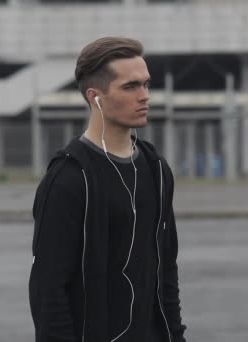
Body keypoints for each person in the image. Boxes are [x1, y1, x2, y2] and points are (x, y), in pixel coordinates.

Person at [29, 36, 186, 342]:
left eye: (146, 84)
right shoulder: (69, 179)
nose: (144, 96)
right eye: (130, 87)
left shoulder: (156, 170)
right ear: (95, 97)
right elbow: (48, 291)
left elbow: (166, 273)